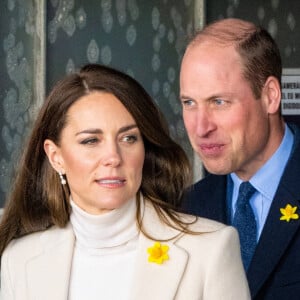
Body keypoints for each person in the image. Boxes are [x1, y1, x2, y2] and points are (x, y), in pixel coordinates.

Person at [0, 64, 250, 299]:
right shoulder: (19, 259)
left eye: (128, 138)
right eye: (91, 141)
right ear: (56, 157)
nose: (113, 157)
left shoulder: (210, 249)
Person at [179, 17, 300, 300]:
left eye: (219, 102)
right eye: (189, 103)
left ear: (270, 96)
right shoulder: (185, 210)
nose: (200, 128)